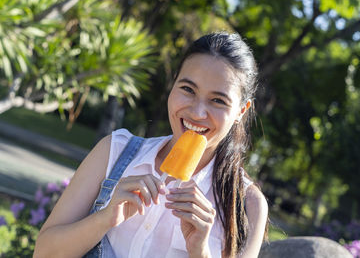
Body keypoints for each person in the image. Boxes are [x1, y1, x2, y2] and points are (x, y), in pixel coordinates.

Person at [34, 32, 268, 258]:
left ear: (241, 111)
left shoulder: (247, 204)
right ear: (173, 85)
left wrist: (201, 253)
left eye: (218, 100)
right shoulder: (114, 151)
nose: (197, 112)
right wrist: (105, 218)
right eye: (188, 89)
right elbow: (43, 253)